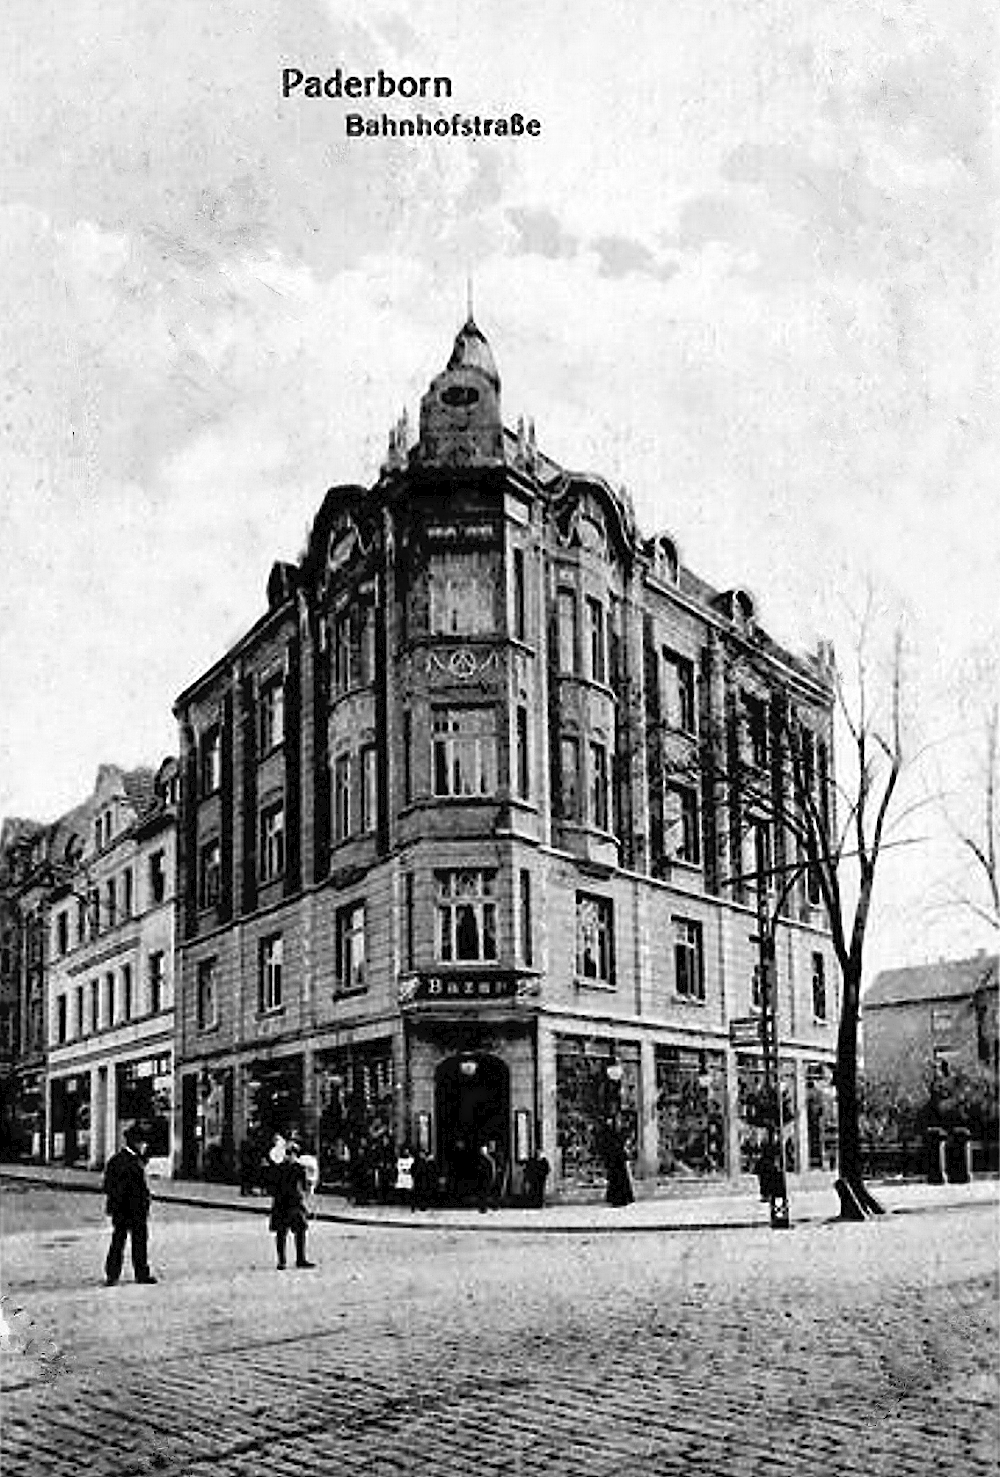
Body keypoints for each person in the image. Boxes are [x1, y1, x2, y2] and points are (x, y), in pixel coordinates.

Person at [103, 1123, 157, 1286]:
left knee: (118, 1241)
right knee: (137, 1242)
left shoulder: (116, 1160)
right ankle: (141, 1274)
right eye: (142, 1142)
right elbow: (127, 1188)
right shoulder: (132, 1162)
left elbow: (107, 1186)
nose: (144, 1146)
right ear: (136, 1143)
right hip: (132, 1209)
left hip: (122, 1210)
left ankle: (112, 1275)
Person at [268, 1139, 314, 1270]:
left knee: (283, 1232)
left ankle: (283, 1260)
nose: (292, 1156)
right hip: (293, 1202)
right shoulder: (298, 1167)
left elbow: (270, 1185)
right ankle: (298, 1259)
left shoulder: (278, 1167)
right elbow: (305, 1186)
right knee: (297, 1230)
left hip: (282, 1202)